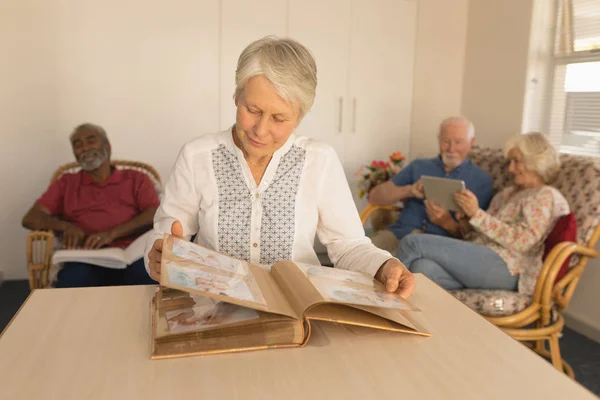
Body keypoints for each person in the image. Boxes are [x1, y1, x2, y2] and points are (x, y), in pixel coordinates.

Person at [145, 36, 415, 298]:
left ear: (299, 116)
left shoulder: (319, 160)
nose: (260, 130)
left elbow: (348, 246)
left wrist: (384, 266)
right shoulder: (197, 155)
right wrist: (159, 255)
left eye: (279, 118)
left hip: (297, 308)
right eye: (252, 110)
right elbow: (166, 234)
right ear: (237, 96)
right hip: (212, 307)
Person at [396, 132, 569, 295]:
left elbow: (522, 242)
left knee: (412, 243)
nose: (510, 168)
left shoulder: (544, 195)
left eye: (516, 161)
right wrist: (467, 220)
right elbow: (483, 233)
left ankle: (381, 303)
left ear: (535, 161)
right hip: (480, 257)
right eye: (510, 162)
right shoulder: (506, 194)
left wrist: (476, 214)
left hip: (509, 267)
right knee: (422, 268)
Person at [21, 123, 159, 287]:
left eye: (91, 141)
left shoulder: (136, 178)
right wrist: (65, 227)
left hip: (132, 253)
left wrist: (111, 234)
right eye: (77, 145)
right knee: (71, 283)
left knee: (151, 278)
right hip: (87, 256)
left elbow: (153, 213)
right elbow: (31, 218)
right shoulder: (65, 183)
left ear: (107, 147)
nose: (84, 148)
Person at [368, 116, 493, 254]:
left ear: (471, 142)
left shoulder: (482, 180)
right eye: (446, 141)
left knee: (397, 267)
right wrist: (409, 190)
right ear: (439, 139)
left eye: (458, 142)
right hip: (397, 234)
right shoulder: (419, 166)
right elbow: (375, 197)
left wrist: (447, 223)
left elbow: (474, 236)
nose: (451, 148)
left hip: (435, 246)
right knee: (362, 256)